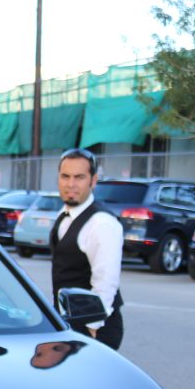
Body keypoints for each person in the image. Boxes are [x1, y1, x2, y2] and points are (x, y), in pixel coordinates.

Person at [49, 148, 124, 350]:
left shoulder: (101, 223)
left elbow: (106, 281)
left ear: (93, 180)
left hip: (94, 328)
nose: (70, 184)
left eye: (79, 177)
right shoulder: (64, 214)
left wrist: (92, 327)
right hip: (67, 323)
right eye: (65, 176)